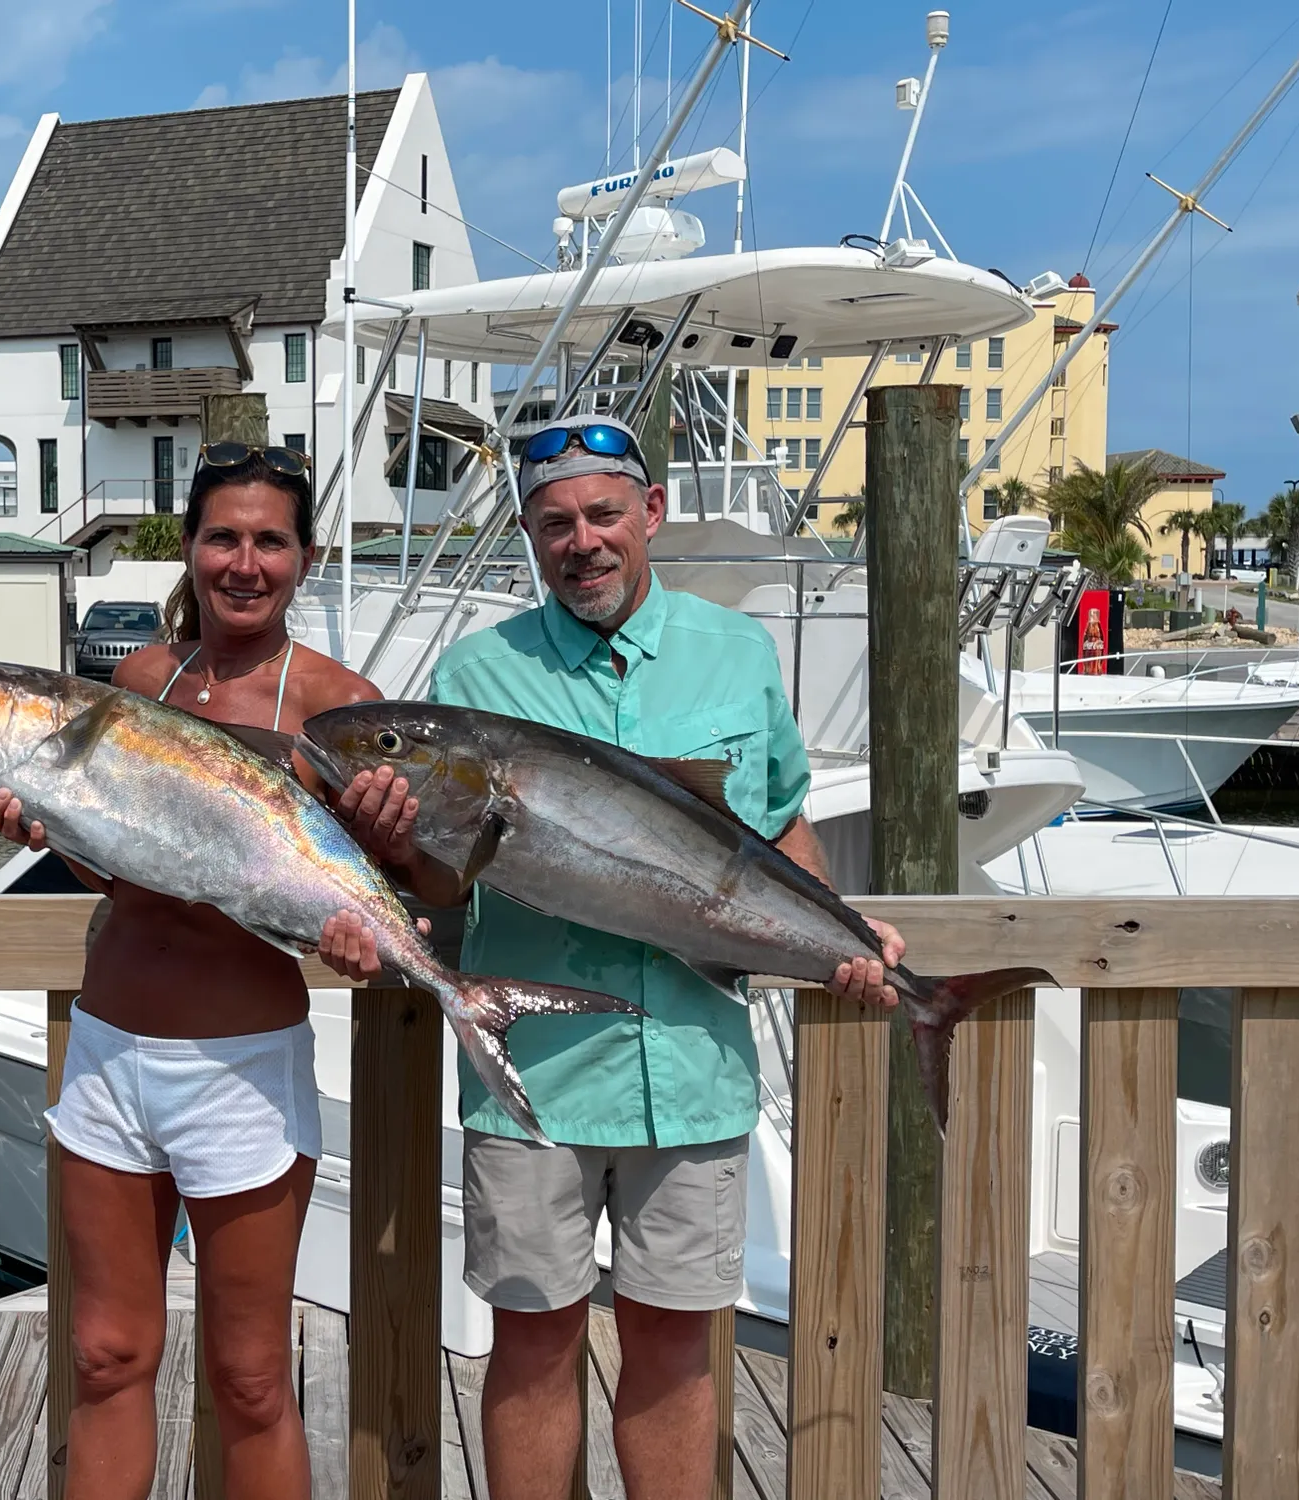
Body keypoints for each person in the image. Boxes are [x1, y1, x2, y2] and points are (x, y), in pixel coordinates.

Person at [321, 412, 906, 1500]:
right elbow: (446, 887)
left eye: (600, 515)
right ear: (530, 541)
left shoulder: (732, 651)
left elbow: (776, 831)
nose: (579, 542)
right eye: (552, 524)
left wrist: (843, 933)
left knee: (674, 1351)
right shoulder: (477, 671)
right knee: (532, 1346)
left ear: (651, 514)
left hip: (692, 1064)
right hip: (534, 1077)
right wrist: (399, 838)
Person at [0, 444, 392, 1500]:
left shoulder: (337, 706)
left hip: (242, 1072)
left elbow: (366, 890)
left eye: (268, 541)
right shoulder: (140, 682)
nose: (243, 563)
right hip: (108, 1054)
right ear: (189, 547)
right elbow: (112, 870)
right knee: (105, 1356)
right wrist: (36, 818)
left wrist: (358, 936)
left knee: (249, 1379)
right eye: (221, 537)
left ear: (305, 555)